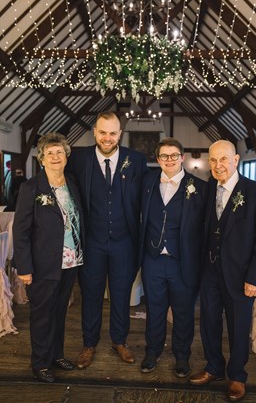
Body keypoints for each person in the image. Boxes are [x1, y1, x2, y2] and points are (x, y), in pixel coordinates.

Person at [190, 140, 256, 401]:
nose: (218, 166)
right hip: (210, 272)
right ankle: (213, 366)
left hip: (241, 275)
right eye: (213, 161)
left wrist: (255, 277)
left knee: (238, 326)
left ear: (236, 160)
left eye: (223, 159)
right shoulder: (207, 190)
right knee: (209, 323)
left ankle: (237, 375)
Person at [66, 111, 149, 368]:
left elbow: (144, 200)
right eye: (103, 132)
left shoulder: (135, 160)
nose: (107, 138)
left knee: (121, 295)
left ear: (120, 134)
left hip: (125, 242)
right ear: (95, 132)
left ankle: (119, 341)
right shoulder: (78, 159)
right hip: (92, 242)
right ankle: (89, 344)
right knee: (90, 294)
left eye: (113, 133)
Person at [13, 133, 84, 383]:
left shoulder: (72, 184)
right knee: (42, 315)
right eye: (50, 153)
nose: (55, 157)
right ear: (42, 159)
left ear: (66, 156)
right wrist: (24, 267)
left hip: (70, 261)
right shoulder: (31, 187)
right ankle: (40, 363)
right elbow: (20, 231)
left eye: (60, 152)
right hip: (43, 265)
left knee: (59, 312)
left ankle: (56, 355)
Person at [139, 137, 207, 377]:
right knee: (154, 310)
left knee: (184, 312)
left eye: (174, 155)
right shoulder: (146, 182)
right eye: (164, 156)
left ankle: (182, 356)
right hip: (153, 260)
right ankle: (152, 351)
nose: (169, 160)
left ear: (183, 157)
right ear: (158, 159)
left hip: (184, 262)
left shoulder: (200, 188)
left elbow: (205, 229)